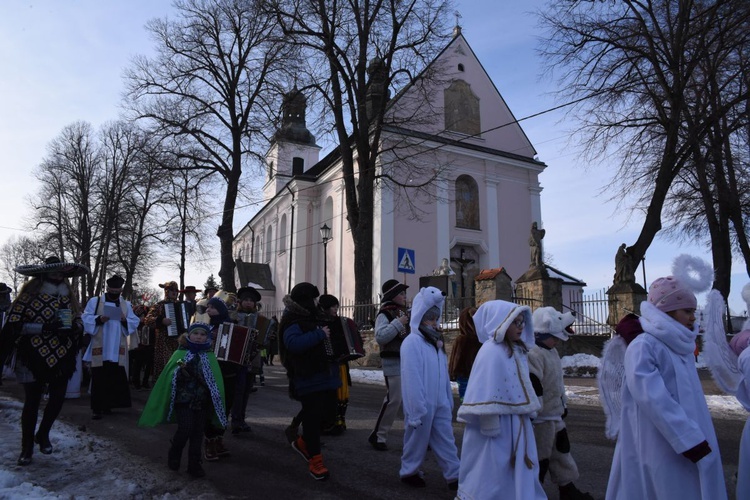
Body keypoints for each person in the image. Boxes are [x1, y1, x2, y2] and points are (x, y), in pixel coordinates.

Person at [605, 255, 727, 500]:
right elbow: (652, 397)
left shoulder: (679, 344)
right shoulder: (645, 346)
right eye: (687, 311)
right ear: (667, 310)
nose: (693, 317)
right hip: (657, 442)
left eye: (694, 310)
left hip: (692, 437)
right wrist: (687, 438)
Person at [0, 256, 87, 466]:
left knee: (57, 398)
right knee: (32, 401)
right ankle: (26, 448)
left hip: (61, 354)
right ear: (43, 273)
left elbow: (77, 318)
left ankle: (43, 433)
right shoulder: (27, 297)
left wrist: (76, 327)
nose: (59, 276)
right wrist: (45, 328)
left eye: (61, 273)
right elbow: (14, 324)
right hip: (32, 355)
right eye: (54, 272)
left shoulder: (68, 297)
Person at [456, 300, 546, 500]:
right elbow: (484, 389)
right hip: (496, 424)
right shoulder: (491, 351)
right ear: (501, 323)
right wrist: (488, 420)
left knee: (516, 463)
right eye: (516, 322)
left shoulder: (516, 350)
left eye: (523, 322)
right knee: (494, 466)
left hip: (515, 421)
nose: (521, 327)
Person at [138, 322, 227, 479]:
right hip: (183, 399)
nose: (199, 337)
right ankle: (175, 452)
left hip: (201, 401)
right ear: (189, 335)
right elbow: (169, 377)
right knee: (185, 428)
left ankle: (194, 464)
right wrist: (180, 373)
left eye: (202, 334)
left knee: (198, 433)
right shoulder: (180, 353)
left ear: (207, 337)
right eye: (196, 334)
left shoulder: (209, 355)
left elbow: (214, 381)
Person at [528, 307, 593, 500]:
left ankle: (567, 488)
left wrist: (563, 404)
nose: (556, 341)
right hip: (542, 418)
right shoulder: (534, 354)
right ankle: (532, 491)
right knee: (540, 457)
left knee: (562, 453)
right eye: (553, 337)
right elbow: (534, 384)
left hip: (555, 414)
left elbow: (557, 383)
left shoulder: (551, 351)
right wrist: (535, 410)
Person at [399, 287, 459, 490]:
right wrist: (416, 408)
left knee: (446, 438)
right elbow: (411, 378)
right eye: (429, 319)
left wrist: (447, 399)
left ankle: (454, 474)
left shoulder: (436, 343)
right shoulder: (412, 342)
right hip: (422, 403)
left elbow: (442, 375)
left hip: (440, 401)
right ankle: (409, 471)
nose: (433, 323)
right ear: (419, 317)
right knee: (417, 439)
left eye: (435, 319)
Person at [279, 282, 340, 481]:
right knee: (313, 421)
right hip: (307, 377)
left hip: (326, 376)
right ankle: (315, 460)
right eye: (313, 299)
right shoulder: (292, 320)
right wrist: (319, 334)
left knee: (329, 414)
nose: (316, 303)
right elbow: (293, 344)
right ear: (304, 300)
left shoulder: (317, 318)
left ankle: (303, 443)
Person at [82, 275, 140, 420]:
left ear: (121, 289)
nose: (115, 292)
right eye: (112, 289)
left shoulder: (125, 304)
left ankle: (108, 406)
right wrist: (99, 319)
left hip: (116, 346)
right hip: (101, 344)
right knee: (99, 377)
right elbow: (86, 317)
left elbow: (134, 320)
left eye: (117, 289)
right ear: (107, 288)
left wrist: (124, 320)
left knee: (113, 377)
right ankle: (96, 408)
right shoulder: (95, 302)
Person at [368, 279, 410, 451]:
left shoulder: (404, 312)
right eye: (401, 293)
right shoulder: (384, 314)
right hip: (393, 361)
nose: (404, 296)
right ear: (392, 295)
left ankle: (415, 436)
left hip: (408, 362)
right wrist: (399, 323)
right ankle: (378, 435)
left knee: (412, 401)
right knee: (394, 400)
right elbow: (381, 337)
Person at [318, 294, 361, 435]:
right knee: (331, 394)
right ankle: (328, 422)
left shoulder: (341, 322)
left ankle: (340, 421)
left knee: (343, 393)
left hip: (341, 364)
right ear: (325, 308)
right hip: (326, 364)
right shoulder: (318, 322)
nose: (336, 309)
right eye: (333, 307)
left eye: (337, 306)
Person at [203, 294, 237, 460]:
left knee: (226, 406)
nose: (208, 309)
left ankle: (219, 439)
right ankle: (209, 441)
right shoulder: (207, 329)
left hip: (230, 372)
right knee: (212, 406)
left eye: (212, 307)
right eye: (208, 307)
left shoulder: (232, 326)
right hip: (214, 372)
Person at [230, 285, 263, 434]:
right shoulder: (233, 317)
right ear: (240, 302)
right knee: (237, 391)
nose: (249, 303)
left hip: (253, 359)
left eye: (252, 301)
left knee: (246, 391)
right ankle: (235, 420)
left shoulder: (260, 320)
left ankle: (241, 419)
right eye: (246, 300)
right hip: (235, 359)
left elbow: (264, 339)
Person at [143, 281, 180, 378]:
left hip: (178, 342)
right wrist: (161, 320)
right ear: (166, 291)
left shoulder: (181, 305)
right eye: (171, 289)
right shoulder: (159, 305)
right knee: (164, 366)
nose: (174, 292)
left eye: (176, 290)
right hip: (163, 342)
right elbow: (147, 320)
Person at [447, 306, 479, 402]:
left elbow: (455, 359)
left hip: (466, 375)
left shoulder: (463, 339)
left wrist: (453, 373)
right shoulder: (466, 339)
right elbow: (456, 358)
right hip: (467, 375)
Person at [129, 304, 154, 390]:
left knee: (148, 364)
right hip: (138, 347)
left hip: (149, 346)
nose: (143, 318)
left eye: (145, 316)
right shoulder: (136, 325)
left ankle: (145, 382)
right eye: (141, 316)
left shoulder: (149, 325)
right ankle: (136, 382)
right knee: (138, 364)